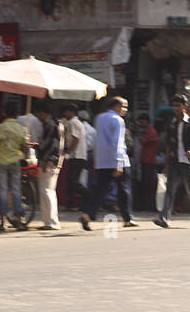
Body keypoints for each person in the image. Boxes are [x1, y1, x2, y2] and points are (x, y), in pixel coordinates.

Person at [82, 96, 136, 230]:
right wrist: (118, 163)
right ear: (115, 106)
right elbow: (117, 142)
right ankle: (127, 218)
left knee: (100, 190)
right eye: (123, 106)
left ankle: (88, 214)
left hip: (102, 160)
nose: (125, 110)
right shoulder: (118, 120)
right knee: (124, 190)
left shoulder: (99, 118)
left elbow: (98, 139)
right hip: (118, 160)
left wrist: (97, 159)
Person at [153, 93, 190, 228]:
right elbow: (169, 144)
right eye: (174, 106)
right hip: (175, 161)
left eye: (178, 106)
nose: (176, 108)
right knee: (170, 189)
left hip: (188, 161)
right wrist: (166, 163)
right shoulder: (172, 124)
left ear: (185, 107)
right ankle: (164, 217)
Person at [0, 103, 28, 231]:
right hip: (15, 162)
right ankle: (19, 221)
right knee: (16, 190)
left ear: (5, 113)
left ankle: (3, 222)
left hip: (2, 161)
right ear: (17, 114)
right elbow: (25, 146)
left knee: (3, 190)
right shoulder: (21, 128)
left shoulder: (0, 127)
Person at [34, 107, 65, 230]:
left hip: (49, 162)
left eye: (38, 114)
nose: (37, 117)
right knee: (49, 192)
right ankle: (50, 221)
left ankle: (51, 222)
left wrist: (47, 160)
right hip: (54, 161)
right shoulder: (57, 124)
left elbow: (52, 146)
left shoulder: (50, 125)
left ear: (42, 112)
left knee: (46, 192)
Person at [60, 104, 87, 210]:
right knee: (71, 181)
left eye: (66, 112)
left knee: (72, 181)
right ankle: (71, 204)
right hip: (78, 156)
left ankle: (88, 195)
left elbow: (75, 138)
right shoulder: (77, 122)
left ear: (71, 112)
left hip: (76, 155)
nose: (64, 114)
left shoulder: (73, 122)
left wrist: (68, 151)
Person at [135, 112, 160, 211]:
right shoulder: (148, 130)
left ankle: (148, 206)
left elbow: (142, 141)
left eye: (141, 121)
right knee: (146, 183)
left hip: (148, 160)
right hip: (146, 160)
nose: (140, 123)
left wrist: (137, 131)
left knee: (148, 184)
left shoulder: (150, 131)